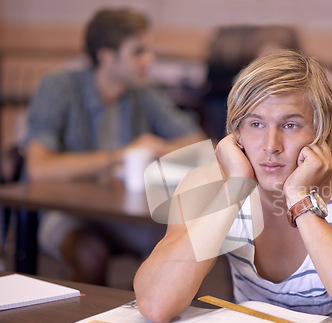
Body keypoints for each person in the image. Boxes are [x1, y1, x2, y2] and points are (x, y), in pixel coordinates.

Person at [134, 50, 332, 323]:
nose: (271, 145)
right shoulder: (210, 183)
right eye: (256, 124)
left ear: (323, 131)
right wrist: (236, 186)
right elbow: (156, 305)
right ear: (236, 132)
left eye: (290, 125)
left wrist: (299, 198)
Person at [25, 8, 205, 284]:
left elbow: (196, 141)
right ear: (106, 56)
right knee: (89, 252)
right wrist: (120, 155)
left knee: (179, 243)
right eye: (138, 52)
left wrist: (157, 148)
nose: (150, 60)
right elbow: (38, 167)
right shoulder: (58, 86)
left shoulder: (143, 92)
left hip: (120, 209)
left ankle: (153, 319)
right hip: (62, 210)